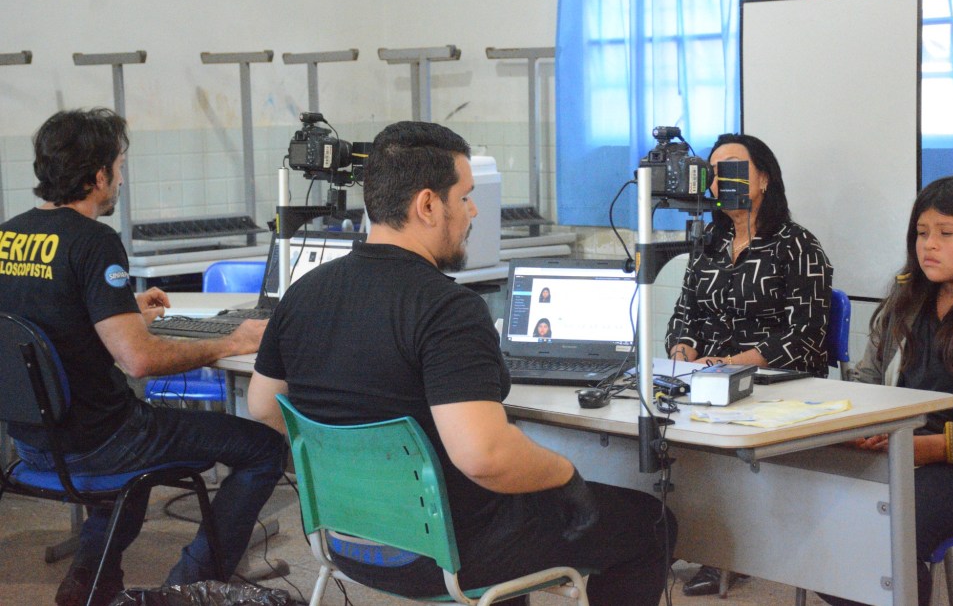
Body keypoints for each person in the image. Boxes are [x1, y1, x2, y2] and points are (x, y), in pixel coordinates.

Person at [247, 120, 677, 606]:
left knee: (510, 504)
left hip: (345, 540)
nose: (473, 211)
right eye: (466, 196)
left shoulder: (303, 292)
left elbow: (263, 404)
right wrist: (565, 474)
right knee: (651, 523)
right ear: (428, 205)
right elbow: (484, 457)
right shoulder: (447, 309)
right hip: (444, 553)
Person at [0, 108, 288, 606]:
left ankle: (88, 584)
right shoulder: (94, 241)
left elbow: (38, 317)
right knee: (263, 448)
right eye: (118, 168)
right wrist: (233, 341)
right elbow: (138, 361)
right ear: (97, 176)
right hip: (101, 440)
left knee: (129, 469)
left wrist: (117, 308)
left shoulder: (7, 234)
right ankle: (189, 587)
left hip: (32, 441)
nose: (120, 180)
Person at [819, 172, 953, 606]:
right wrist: (858, 425)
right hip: (900, 452)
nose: (929, 245)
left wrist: (934, 447)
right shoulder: (907, 296)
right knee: (819, 516)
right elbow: (869, 381)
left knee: (888, 525)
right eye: (921, 232)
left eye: (946, 233)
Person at [664, 133, 833, 596]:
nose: (721, 180)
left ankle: (724, 548)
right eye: (714, 171)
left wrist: (730, 363)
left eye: (734, 169)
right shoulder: (709, 242)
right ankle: (679, 534)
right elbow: (684, 315)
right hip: (708, 378)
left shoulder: (797, 245)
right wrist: (683, 352)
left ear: (763, 179)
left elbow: (803, 334)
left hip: (775, 382)